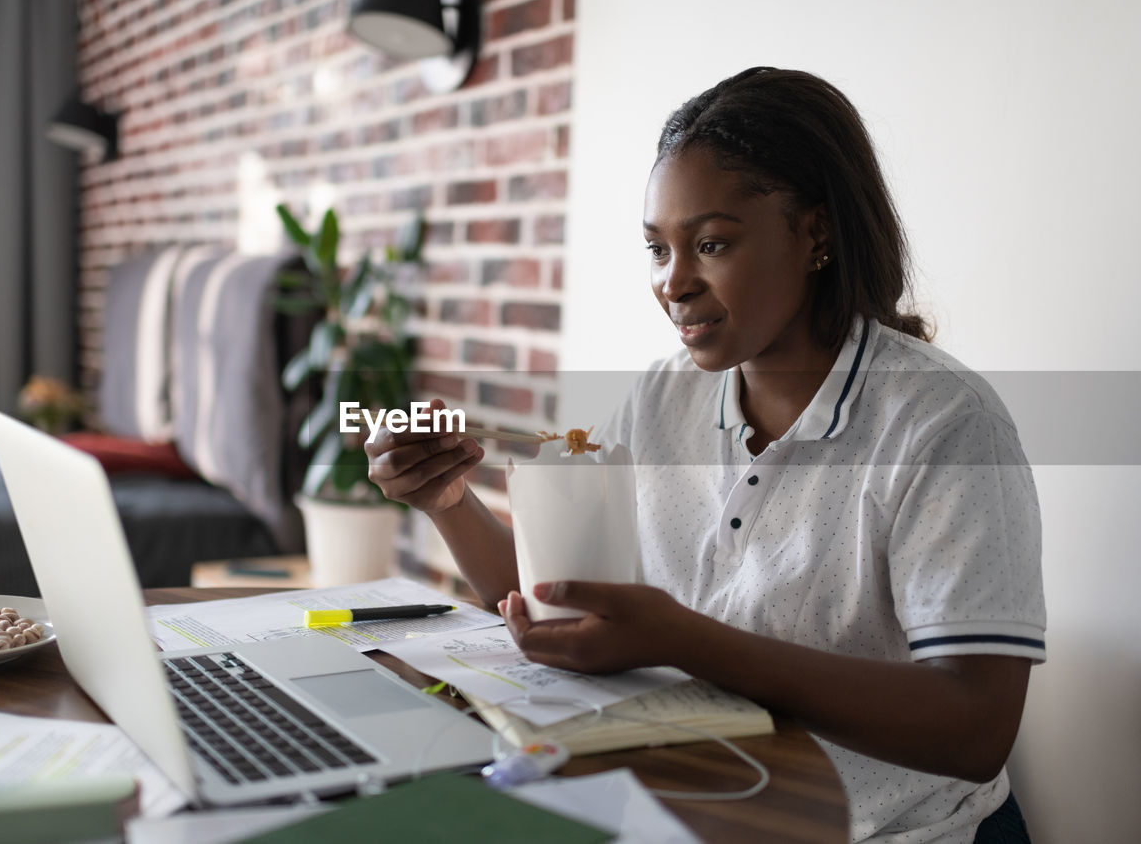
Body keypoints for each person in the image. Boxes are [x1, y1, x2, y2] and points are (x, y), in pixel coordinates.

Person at [364, 67, 1044, 843]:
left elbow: (976, 727)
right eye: (658, 248)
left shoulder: (945, 424)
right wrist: (448, 500)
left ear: (816, 234)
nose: (673, 282)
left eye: (711, 243)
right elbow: (562, 603)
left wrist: (684, 639)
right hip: (697, 804)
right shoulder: (660, 399)